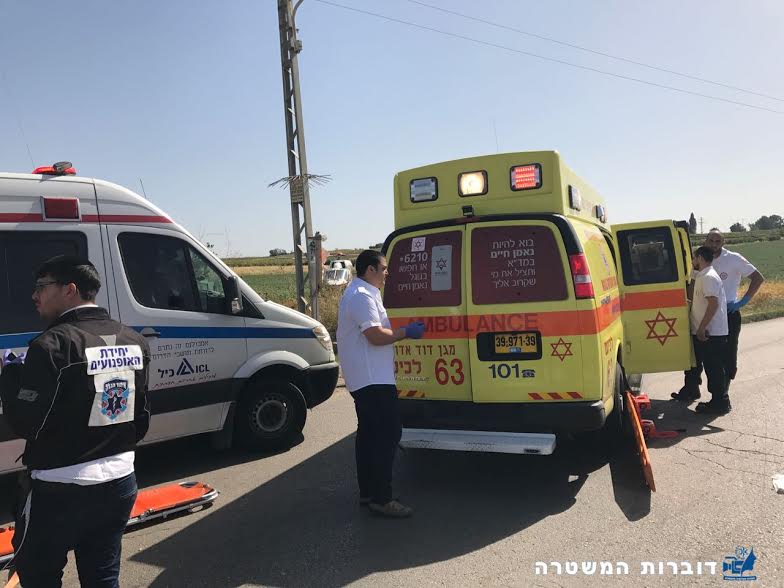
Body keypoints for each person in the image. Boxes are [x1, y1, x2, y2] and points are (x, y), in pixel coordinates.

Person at [0, 255, 151, 587]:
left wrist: (10, 376)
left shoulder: (51, 345)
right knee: (103, 576)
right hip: (120, 482)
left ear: (70, 290)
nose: (34, 296)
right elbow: (140, 419)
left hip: (58, 491)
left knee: (39, 577)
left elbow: (26, 424)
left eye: (41, 287)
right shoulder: (134, 340)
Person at [336, 250, 425, 518]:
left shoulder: (364, 292)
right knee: (387, 435)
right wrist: (406, 333)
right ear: (370, 270)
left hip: (369, 377)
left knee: (369, 435)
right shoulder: (361, 296)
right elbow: (375, 336)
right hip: (372, 379)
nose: (387, 273)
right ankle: (382, 499)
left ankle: (370, 493)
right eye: (384, 268)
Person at [673, 229, 764, 402]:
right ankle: (691, 387)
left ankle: (722, 392)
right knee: (695, 354)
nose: (714, 245)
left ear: (723, 242)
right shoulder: (700, 259)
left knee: (725, 355)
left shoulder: (734, 259)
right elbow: (692, 285)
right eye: (711, 241)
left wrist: (741, 302)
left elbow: (758, 278)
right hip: (701, 313)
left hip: (727, 313)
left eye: (718, 241)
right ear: (705, 241)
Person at [685, 246, 730, 414]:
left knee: (714, 368)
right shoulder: (703, 275)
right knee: (711, 367)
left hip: (712, 332)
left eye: (694, 258)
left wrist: (702, 327)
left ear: (700, 258)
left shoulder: (709, 277)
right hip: (707, 332)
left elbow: (713, 304)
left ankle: (720, 402)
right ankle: (718, 400)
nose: (692, 261)